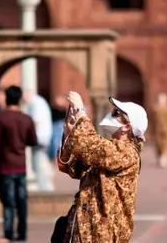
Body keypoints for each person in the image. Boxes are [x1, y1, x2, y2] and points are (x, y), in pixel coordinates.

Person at [57, 92, 147, 242]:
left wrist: (80, 111)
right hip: (87, 229)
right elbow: (72, 167)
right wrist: (69, 132)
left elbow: (91, 145)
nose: (111, 115)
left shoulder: (127, 153)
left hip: (103, 233)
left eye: (116, 113)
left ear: (127, 127)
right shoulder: (109, 148)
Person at [0, 85, 38, 241]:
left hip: (5, 166)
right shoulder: (26, 119)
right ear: (20, 99)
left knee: (8, 201)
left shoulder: (1, 118)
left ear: (6, 98)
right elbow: (33, 141)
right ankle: (22, 233)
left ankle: (8, 233)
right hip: (20, 165)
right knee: (21, 200)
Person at [24, 90, 54, 191]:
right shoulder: (37, 102)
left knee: (38, 164)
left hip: (39, 138)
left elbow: (35, 120)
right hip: (40, 137)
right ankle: (44, 186)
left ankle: (43, 188)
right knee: (39, 162)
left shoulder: (37, 103)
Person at [152, 93, 167, 168]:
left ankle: (161, 158)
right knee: (166, 144)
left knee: (159, 144)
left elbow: (153, 121)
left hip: (158, 129)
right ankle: (164, 158)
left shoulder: (155, 109)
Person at [48, 94, 68, 162]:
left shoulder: (65, 110)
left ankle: (58, 158)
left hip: (60, 126)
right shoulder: (54, 110)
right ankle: (55, 158)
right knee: (54, 142)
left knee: (58, 142)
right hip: (55, 126)